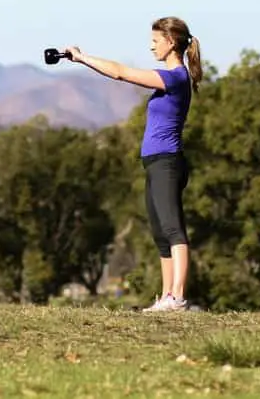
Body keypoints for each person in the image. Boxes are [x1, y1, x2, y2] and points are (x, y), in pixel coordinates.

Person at [63, 16, 203, 312]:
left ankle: (177, 297)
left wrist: (82, 58)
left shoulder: (176, 77)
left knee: (173, 228)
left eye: (155, 41)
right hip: (155, 163)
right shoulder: (170, 79)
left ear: (171, 42)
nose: (151, 46)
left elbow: (120, 73)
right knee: (159, 231)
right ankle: (167, 297)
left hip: (167, 162)